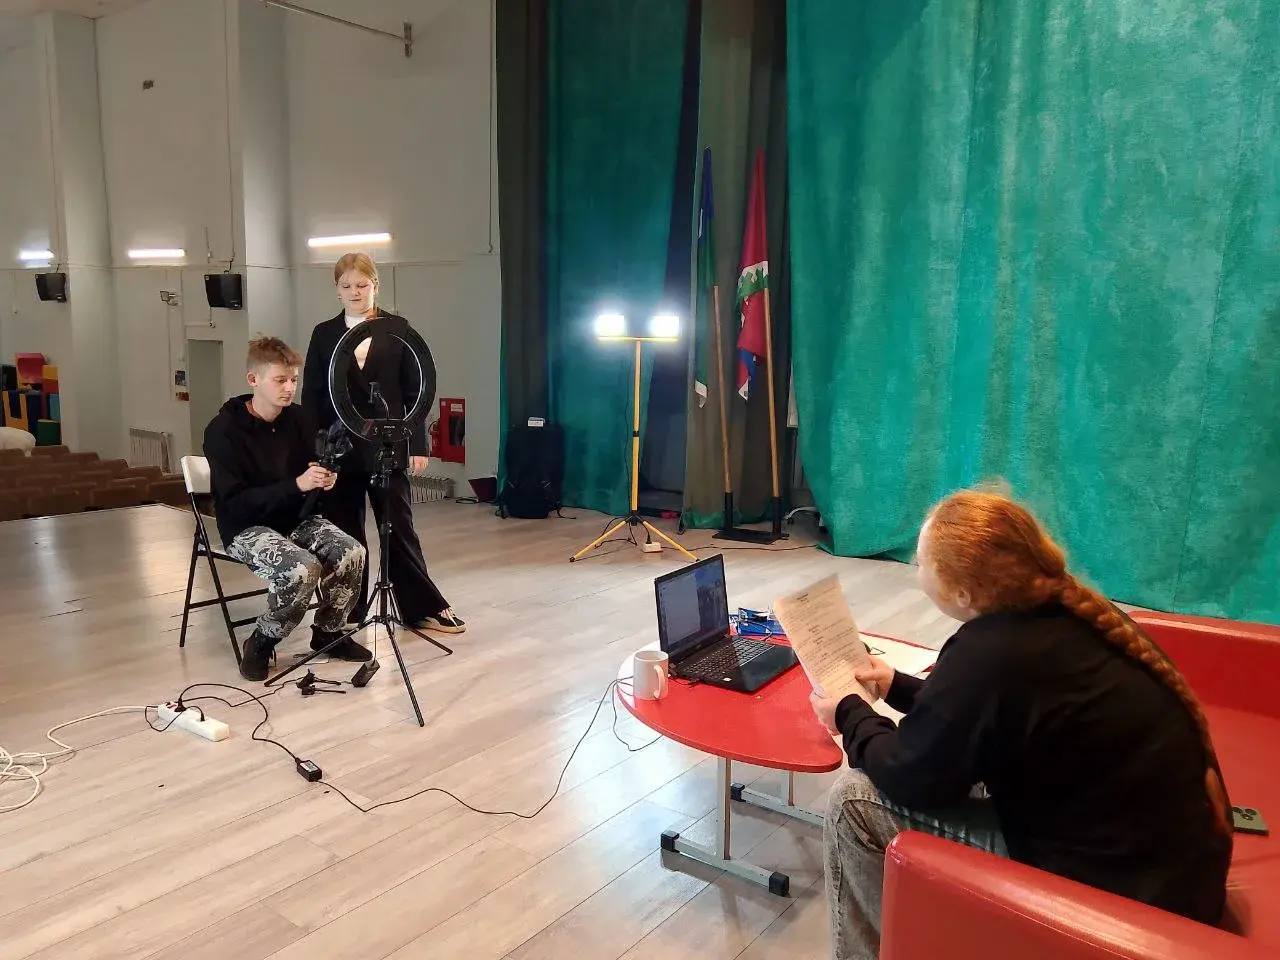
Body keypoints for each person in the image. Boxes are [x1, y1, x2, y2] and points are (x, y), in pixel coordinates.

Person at [812, 490, 1232, 960]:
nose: (915, 567)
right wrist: (897, 685)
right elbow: (990, 712)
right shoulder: (1069, 611)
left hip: (1122, 894)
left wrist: (849, 714)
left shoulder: (990, 654)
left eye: (922, 562)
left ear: (963, 592)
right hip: (1177, 876)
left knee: (853, 800)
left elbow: (909, 777)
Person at [301, 252, 464, 635]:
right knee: (345, 532)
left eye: (362, 284)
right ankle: (347, 610)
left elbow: (415, 391)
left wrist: (419, 444)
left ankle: (423, 608)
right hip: (339, 450)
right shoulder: (323, 334)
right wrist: (313, 452)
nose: (355, 292)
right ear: (337, 289)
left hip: (388, 446)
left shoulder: (398, 330)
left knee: (399, 528)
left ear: (375, 285)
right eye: (346, 286)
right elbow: (312, 397)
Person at [204, 336, 371, 681]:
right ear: (253, 380)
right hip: (245, 526)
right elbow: (235, 502)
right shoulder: (223, 431)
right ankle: (261, 641)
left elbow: (312, 468)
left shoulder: (299, 418)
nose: (289, 388)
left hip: (295, 517)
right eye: (280, 380)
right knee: (302, 569)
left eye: (293, 380)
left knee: (352, 551)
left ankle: (328, 633)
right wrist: (298, 484)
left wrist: (326, 478)